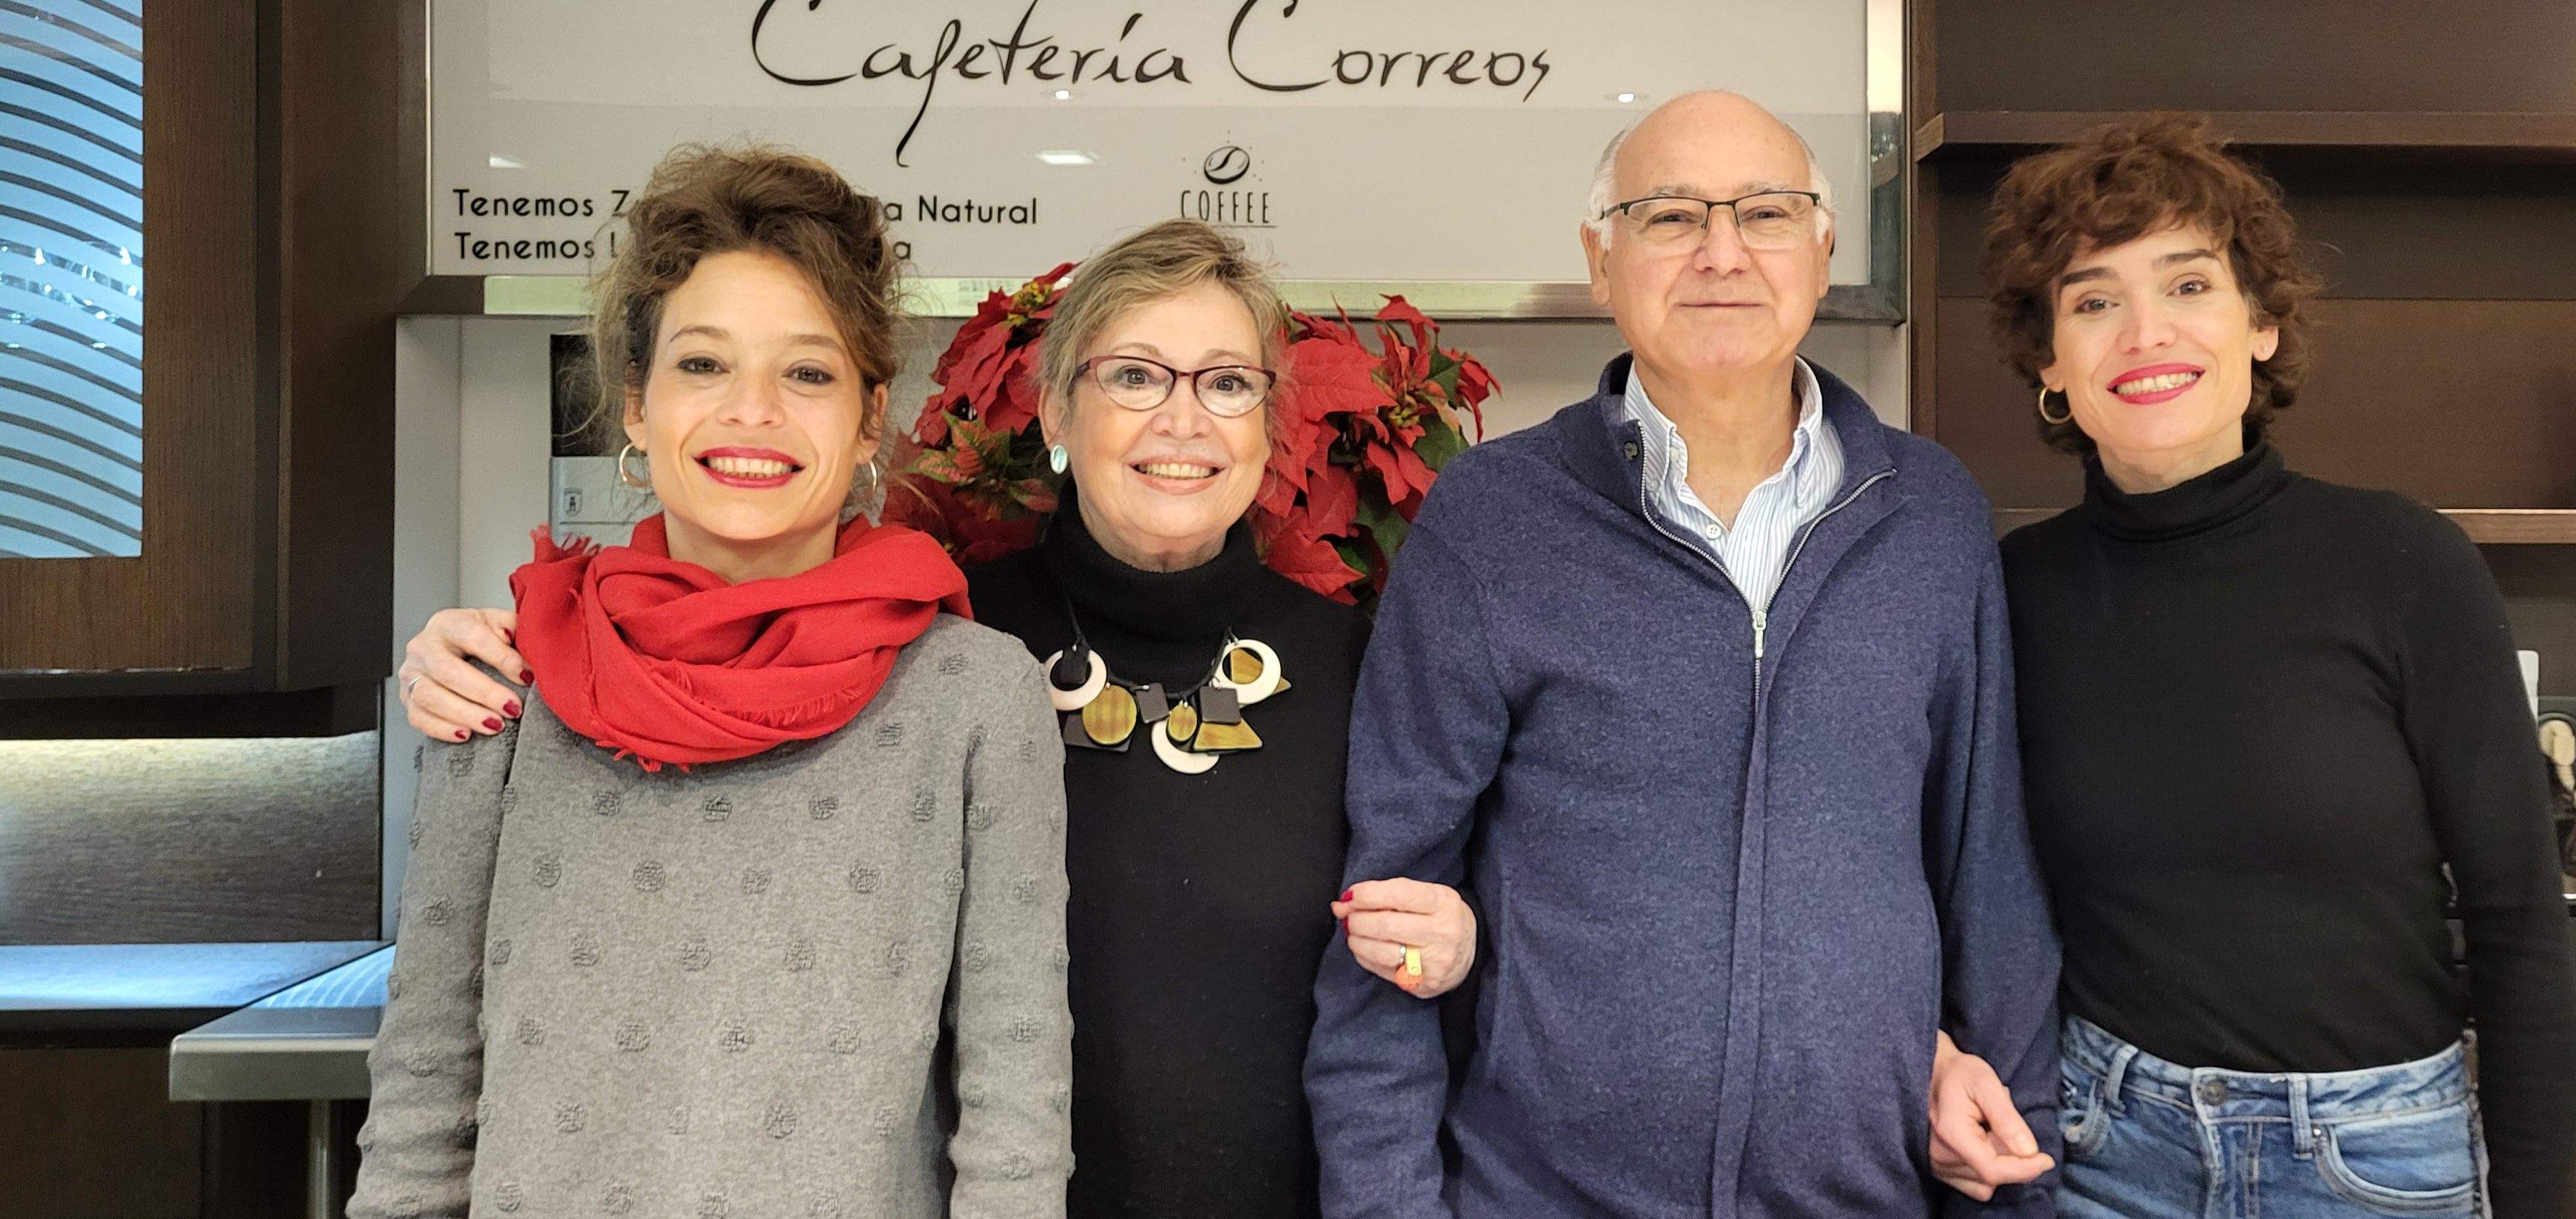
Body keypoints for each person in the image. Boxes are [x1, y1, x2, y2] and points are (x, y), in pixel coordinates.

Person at [393, 217, 1476, 1218]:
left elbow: (1422, 973)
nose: (1181, 417)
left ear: (1269, 422)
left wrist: (1463, 943)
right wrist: (478, 654)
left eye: (1228, 382)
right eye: (1135, 375)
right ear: (1057, 409)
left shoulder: (1364, 664)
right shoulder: (940, 642)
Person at [1305, 91, 2062, 1219]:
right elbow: (1389, 909)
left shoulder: (1930, 514)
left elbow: (1985, 875)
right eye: (1668, 217)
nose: (1721, 253)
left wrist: (2020, 1178)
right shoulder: (1495, 520)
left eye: (1765, 213)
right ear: (1599, 262)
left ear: (1821, 250)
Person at [352, 144, 1070, 1218]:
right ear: (636, 409)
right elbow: (424, 1084)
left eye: (809, 372)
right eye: (703, 365)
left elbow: (1014, 1104)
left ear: (871, 419)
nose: (753, 411)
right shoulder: (510, 677)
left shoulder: (974, 697)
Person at [1949, 113, 2576, 1219]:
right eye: (2094, 300)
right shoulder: (2010, 590)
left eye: (2188, 286)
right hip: (2104, 1153)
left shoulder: (2402, 562)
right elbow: (1947, 892)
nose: (2146, 333)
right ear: (2050, 361)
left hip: (2377, 1160)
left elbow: (2522, 927)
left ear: (2259, 325)